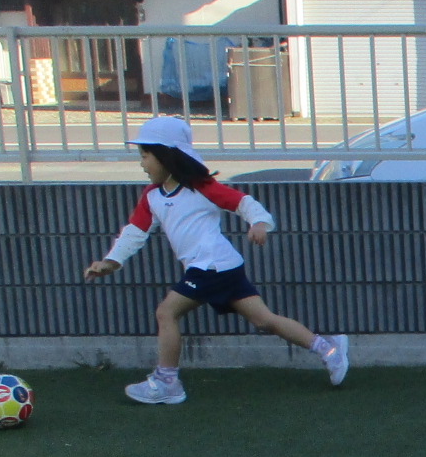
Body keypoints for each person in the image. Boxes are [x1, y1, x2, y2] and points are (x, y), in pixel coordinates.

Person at [82, 116, 347, 405]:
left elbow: (242, 202)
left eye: (145, 156)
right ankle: (329, 349)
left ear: (167, 156)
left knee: (166, 313)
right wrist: (111, 262)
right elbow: (135, 231)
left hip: (210, 266)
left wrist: (259, 223)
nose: (142, 163)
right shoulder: (151, 195)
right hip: (223, 267)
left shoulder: (200, 186)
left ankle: (167, 382)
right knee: (264, 320)